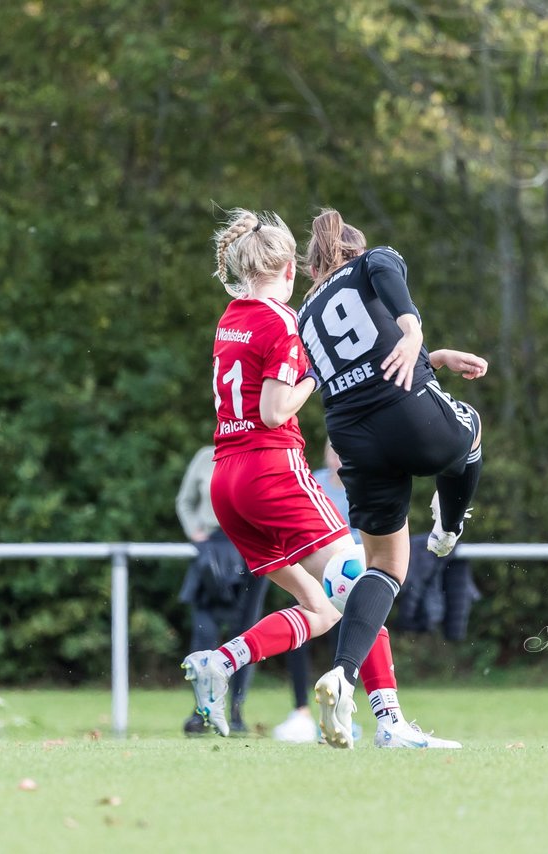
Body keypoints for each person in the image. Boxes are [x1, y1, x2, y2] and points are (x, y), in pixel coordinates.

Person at [182, 207, 459, 749]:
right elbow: (274, 408)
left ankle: (221, 661)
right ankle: (389, 723)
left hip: (227, 482)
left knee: (322, 608)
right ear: (289, 270)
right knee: (363, 584)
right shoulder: (282, 320)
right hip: (272, 471)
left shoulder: (230, 317)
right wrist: (309, 372)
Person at [297, 208, 488, 748]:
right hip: (404, 413)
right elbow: (387, 286)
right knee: (471, 429)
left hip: (353, 438)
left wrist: (432, 357)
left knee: (385, 564)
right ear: (352, 253)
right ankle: (450, 527)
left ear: (313, 270)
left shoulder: (304, 314)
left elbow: (358, 348)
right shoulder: (374, 259)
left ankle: (342, 675)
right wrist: (412, 329)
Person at [175, 444, 268, 735]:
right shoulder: (206, 456)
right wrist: (195, 532)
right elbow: (185, 501)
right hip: (212, 550)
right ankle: (202, 708)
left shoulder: (261, 453)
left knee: (245, 634)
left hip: (250, 547)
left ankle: (236, 708)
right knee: (204, 633)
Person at [273, 439, 354, 744]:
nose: (336, 456)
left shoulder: (361, 485)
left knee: (345, 642)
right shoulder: (314, 482)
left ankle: (344, 710)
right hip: (311, 575)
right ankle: (300, 710)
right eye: (332, 449)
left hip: (347, 582)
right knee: (299, 636)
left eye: (341, 449)